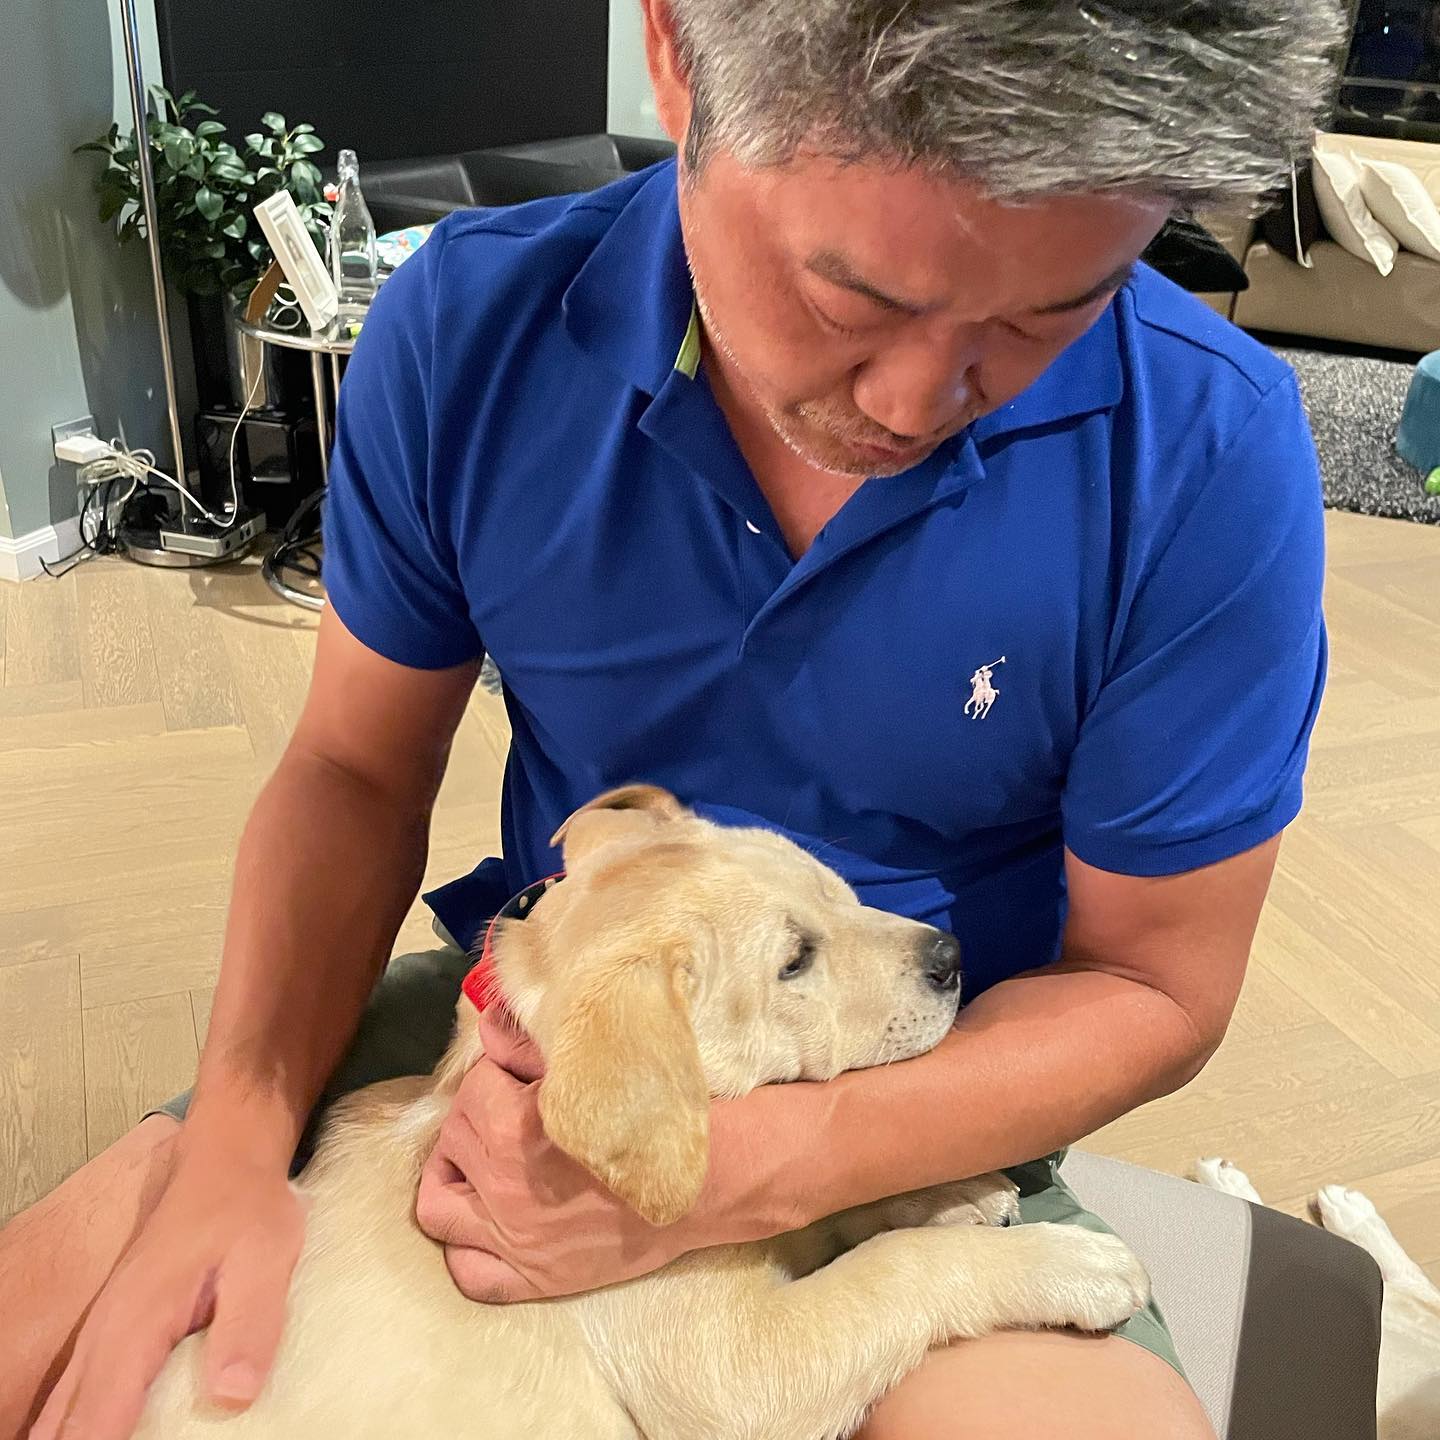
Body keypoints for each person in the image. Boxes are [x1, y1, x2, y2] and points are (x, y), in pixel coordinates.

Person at [5, 2, 1345, 1436]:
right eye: (849, 297)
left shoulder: (1203, 448)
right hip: (558, 1016)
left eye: (1045, 316)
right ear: (675, 56)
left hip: (917, 1078)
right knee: (58, 1314)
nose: (913, 404)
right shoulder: (470, 330)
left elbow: (1154, 985)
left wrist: (742, 1174)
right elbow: (351, 769)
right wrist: (234, 1135)